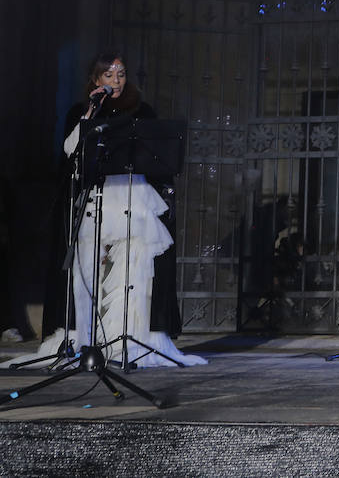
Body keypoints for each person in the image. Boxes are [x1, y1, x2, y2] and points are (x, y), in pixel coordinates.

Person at [20, 53, 204, 368]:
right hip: (96, 197)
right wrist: (91, 113)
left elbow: (156, 154)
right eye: (108, 75)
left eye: (120, 74)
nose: (116, 81)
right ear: (95, 80)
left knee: (133, 269)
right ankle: (86, 338)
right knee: (87, 268)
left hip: (133, 196)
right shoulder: (81, 111)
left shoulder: (141, 110)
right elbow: (70, 150)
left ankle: (130, 337)